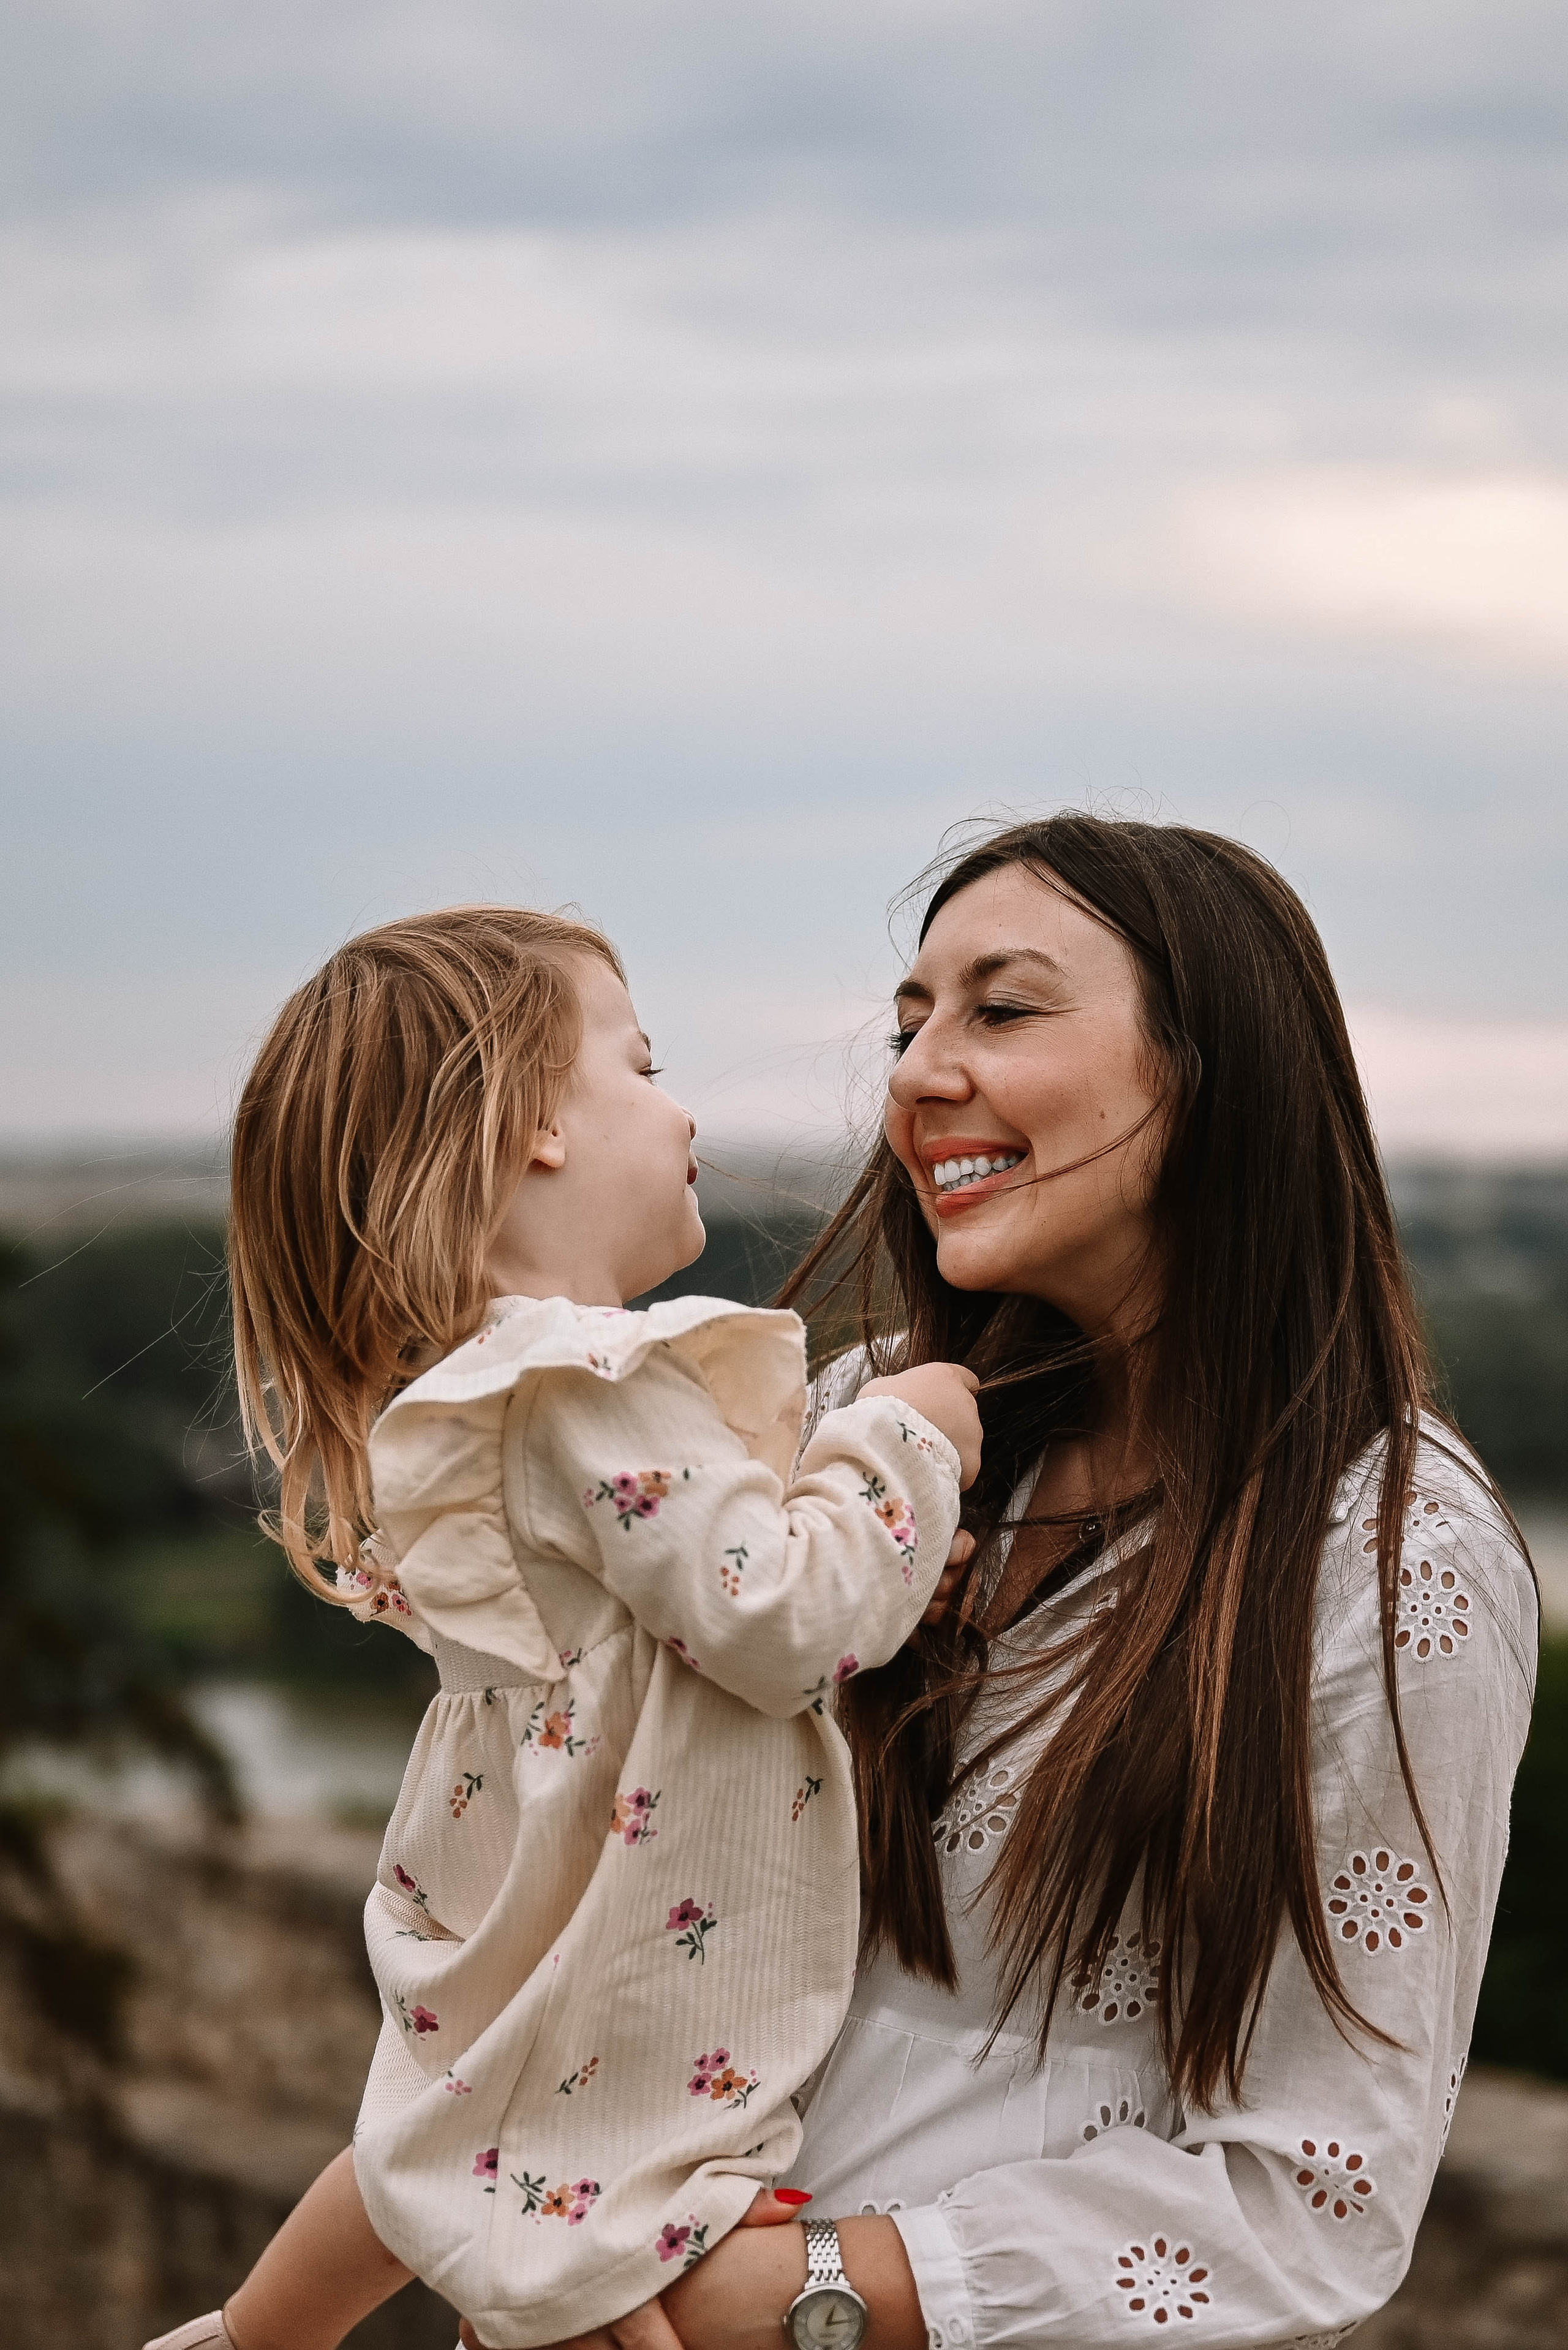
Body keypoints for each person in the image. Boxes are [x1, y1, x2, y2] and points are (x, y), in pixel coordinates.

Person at [559, 813, 1537, 2350]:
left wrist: (820, 2295)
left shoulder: (1390, 1561)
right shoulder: (866, 1423)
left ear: (1211, 1075)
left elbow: (1319, 2195)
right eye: (908, 1022)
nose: (917, 1071)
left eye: (999, 1009)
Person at [142, 905, 982, 2350]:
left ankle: (241, 2337)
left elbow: (677, 1611)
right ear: (534, 1121)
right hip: (631, 1938)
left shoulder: (483, 1389)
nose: (682, 1107)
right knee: (577, 2242)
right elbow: (771, 1615)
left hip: (525, 1900)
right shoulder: (597, 1372)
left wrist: (886, 1576)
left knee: (442, 2143)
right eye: (642, 1065)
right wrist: (902, 1444)